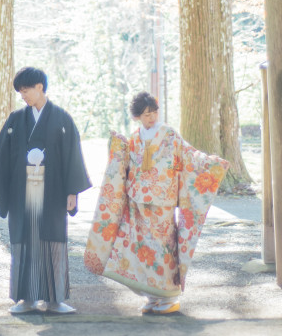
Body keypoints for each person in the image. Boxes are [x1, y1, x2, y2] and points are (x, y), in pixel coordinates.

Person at [84, 92, 229, 315]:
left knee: (163, 246)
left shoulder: (168, 134)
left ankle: (169, 296)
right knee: (142, 247)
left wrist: (208, 161)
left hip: (162, 199)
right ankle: (152, 295)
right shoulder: (135, 137)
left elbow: (187, 153)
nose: (151, 118)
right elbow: (127, 165)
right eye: (145, 114)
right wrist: (118, 147)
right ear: (137, 117)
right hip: (137, 199)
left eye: (153, 113)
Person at [0, 67, 92, 315]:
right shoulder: (16, 120)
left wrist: (72, 192)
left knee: (53, 241)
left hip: (52, 192)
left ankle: (55, 300)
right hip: (22, 192)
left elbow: (73, 157)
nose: (23, 96)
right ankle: (26, 299)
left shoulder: (62, 119)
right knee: (25, 241)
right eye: (20, 92)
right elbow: (3, 157)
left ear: (40, 87)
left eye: (26, 90)